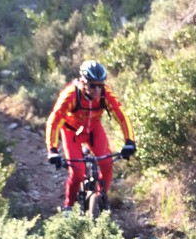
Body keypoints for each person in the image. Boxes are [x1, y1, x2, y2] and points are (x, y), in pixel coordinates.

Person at [45, 60, 137, 213]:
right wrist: (53, 150)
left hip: (93, 129)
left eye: (100, 85)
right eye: (92, 85)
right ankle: (69, 206)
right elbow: (54, 122)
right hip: (71, 132)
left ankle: (101, 199)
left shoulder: (105, 94)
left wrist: (129, 141)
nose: (97, 89)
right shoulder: (70, 95)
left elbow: (122, 117)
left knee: (107, 163)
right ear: (83, 82)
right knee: (78, 171)